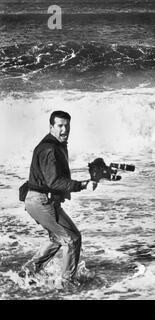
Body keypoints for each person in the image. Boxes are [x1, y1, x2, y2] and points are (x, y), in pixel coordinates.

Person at [21, 110, 97, 286]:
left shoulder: (54, 144)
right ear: (51, 127)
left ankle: (28, 271)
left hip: (38, 200)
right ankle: (66, 283)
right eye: (60, 126)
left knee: (58, 237)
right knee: (72, 239)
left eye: (67, 125)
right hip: (40, 201)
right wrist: (83, 185)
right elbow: (54, 182)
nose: (64, 129)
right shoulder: (50, 148)